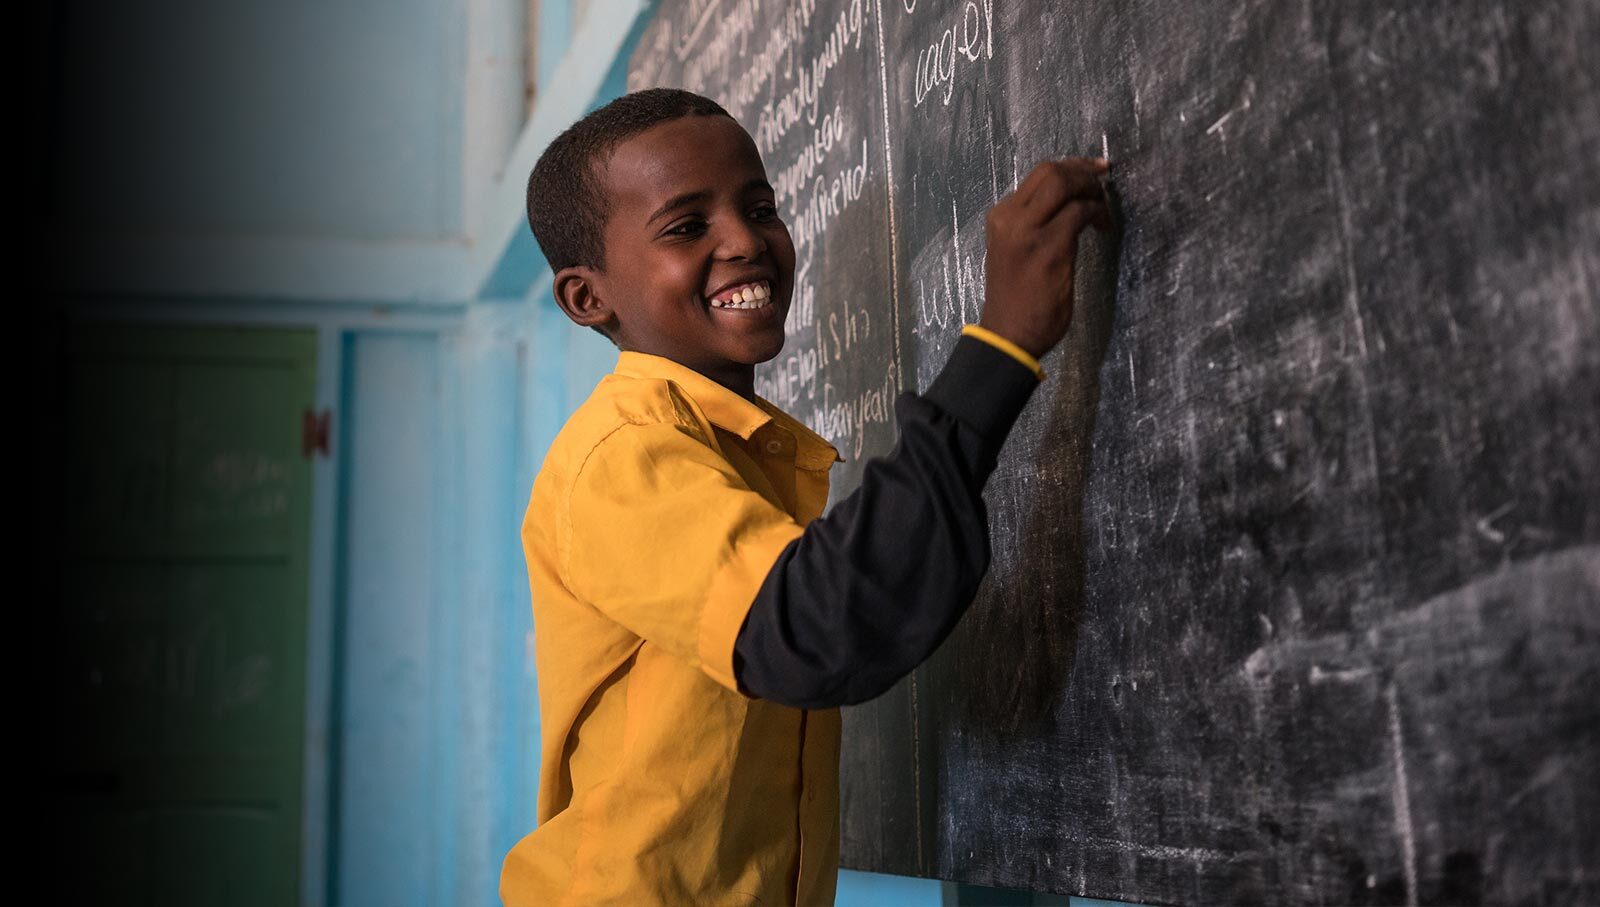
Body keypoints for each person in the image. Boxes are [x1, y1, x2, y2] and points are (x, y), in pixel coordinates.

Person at [501, 87, 1110, 906]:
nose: (746, 241)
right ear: (588, 297)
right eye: (687, 227)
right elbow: (817, 627)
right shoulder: (621, 454)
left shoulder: (740, 453)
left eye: (760, 206)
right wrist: (999, 347)